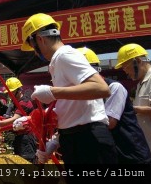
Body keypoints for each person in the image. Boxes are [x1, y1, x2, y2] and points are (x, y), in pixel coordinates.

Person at [21, 13, 117, 166]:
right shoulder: (58, 62)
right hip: (76, 138)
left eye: (33, 47)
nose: (35, 52)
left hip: (88, 140)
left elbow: (101, 88)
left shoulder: (65, 55)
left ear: (39, 39)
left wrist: (53, 92)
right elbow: (74, 107)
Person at [77, 47, 151, 164]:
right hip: (116, 153)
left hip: (131, 153)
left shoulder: (114, 87)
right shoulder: (84, 94)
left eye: (126, 67)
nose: (125, 71)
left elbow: (110, 123)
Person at [115, 43, 151, 163]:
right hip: (149, 147)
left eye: (126, 67)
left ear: (138, 61)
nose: (126, 72)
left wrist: (132, 109)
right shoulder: (141, 83)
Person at [0, 77, 37, 162]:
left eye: (12, 92)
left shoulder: (24, 102)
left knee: (27, 162)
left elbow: (15, 118)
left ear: (19, 90)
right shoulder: (15, 103)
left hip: (27, 137)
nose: (9, 95)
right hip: (19, 136)